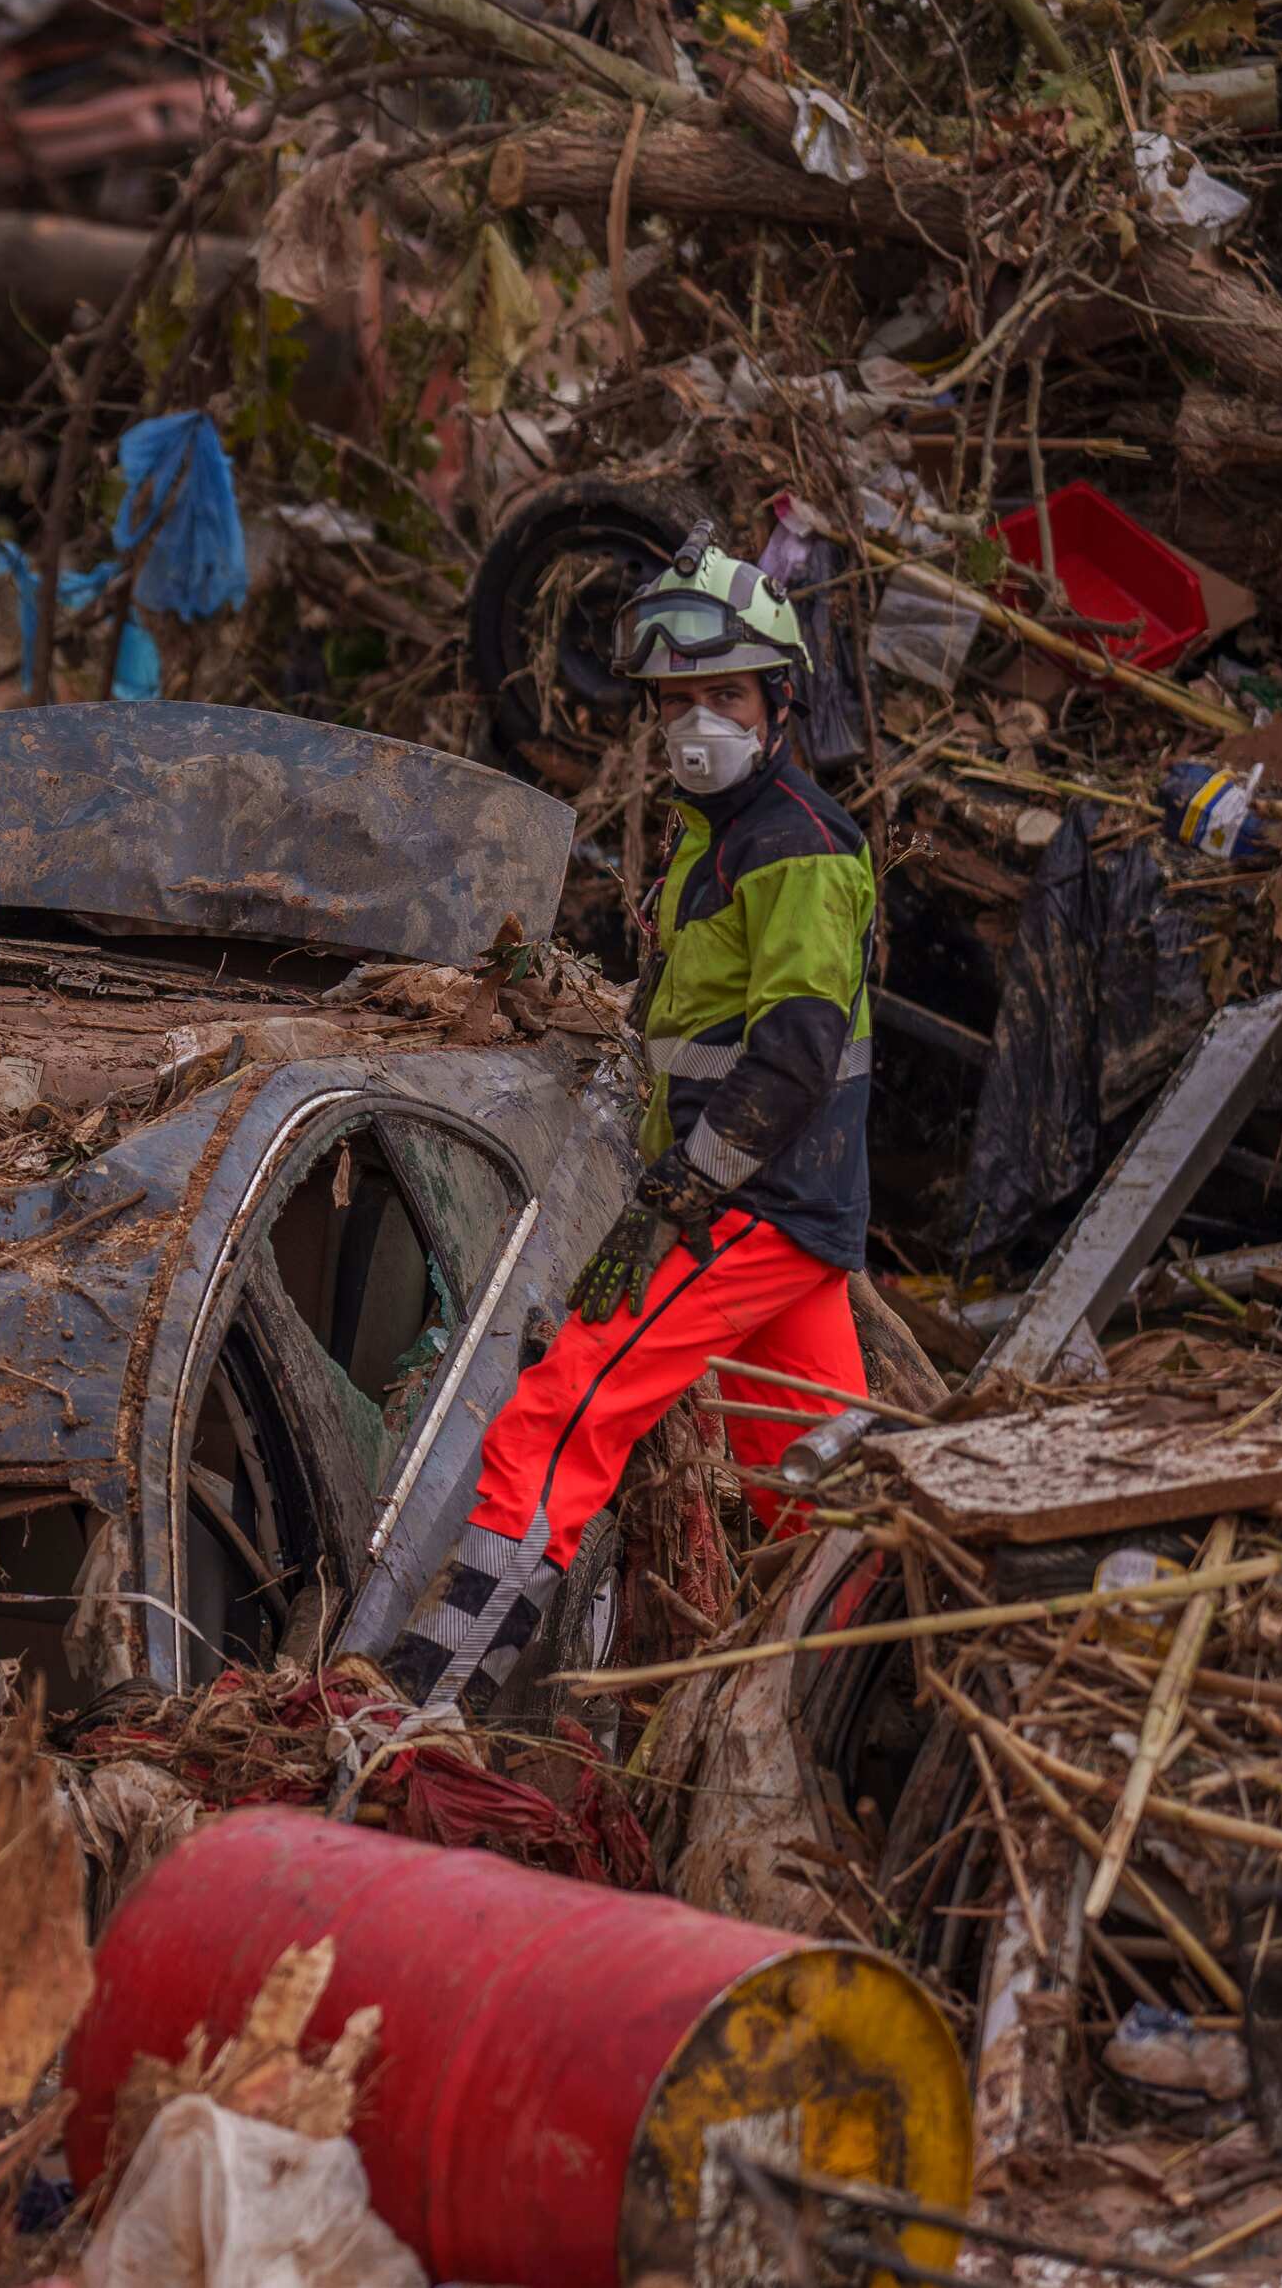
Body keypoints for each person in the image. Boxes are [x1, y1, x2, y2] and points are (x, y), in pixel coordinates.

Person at [398, 545, 875, 1709]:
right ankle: (864, 1698)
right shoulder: (712, 841)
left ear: (778, 704)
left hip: (747, 1201)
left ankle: (426, 1703)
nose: (697, 722)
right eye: (675, 704)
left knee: (559, 1414)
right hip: (790, 1212)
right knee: (822, 1494)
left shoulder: (796, 847)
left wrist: (676, 1195)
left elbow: (796, 1053)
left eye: (724, 697)